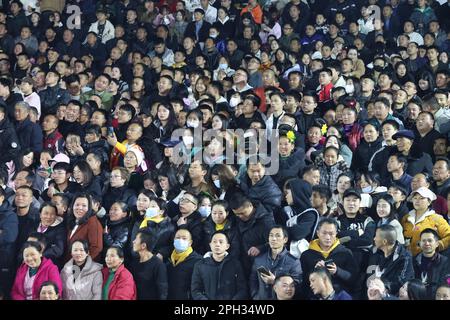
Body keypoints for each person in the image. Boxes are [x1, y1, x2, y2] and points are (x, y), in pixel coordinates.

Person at [300, 218, 359, 299]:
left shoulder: (345, 253)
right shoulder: (307, 255)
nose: (328, 237)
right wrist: (315, 271)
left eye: (331, 234)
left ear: (336, 234)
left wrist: (337, 271)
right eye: (324, 233)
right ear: (318, 233)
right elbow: (302, 282)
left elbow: (354, 279)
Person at [191, 231, 248, 300]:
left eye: (221, 242)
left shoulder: (235, 264)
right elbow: (196, 290)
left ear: (227, 246)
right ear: (210, 245)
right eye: (214, 242)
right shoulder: (200, 265)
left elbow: (242, 289)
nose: (217, 244)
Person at [249, 226, 302, 300]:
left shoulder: (293, 261)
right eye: (271, 235)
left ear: (285, 239)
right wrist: (255, 296)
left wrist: (275, 281)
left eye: (278, 236)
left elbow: (298, 285)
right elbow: (253, 280)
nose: (273, 239)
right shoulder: (259, 259)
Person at [366, 224, 414, 297]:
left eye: (376, 236)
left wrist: (381, 287)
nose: (374, 239)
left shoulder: (404, 257)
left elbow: (401, 281)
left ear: (384, 242)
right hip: (375, 292)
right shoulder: (375, 252)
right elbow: (370, 272)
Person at [401, 187, 450, 256]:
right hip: (406, 257)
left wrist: (436, 246)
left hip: (427, 258)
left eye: (422, 198)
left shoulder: (436, 219)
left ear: (429, 202)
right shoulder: (406, 217)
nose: (417, 201)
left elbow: (448, 235)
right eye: (415, 198)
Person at [413, 228, 450, 298]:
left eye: (430, 240)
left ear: (437, 244)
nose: (426, 243)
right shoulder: (413, 261)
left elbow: (447, 283)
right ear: (420, 243)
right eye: (423, 241)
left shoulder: (446, 262)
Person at [131, 231, 168, 300]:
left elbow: (162, 291)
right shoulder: (135, 263)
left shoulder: (158, 265)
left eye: (136, 239)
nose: (133, 242)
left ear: (143, 245)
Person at [66, 193, 103, 262]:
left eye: (84, 205)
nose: (80, 208)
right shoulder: (74, 221)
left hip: (85, 269)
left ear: (89, 208)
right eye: (77, 205)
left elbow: (96, 248)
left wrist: (81, 263)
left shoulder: (93, 222)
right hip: (71, 265)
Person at [166, 229, 202, 300]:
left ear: (190, 242)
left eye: (184, 238)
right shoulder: (168, 261)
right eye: (178, 238)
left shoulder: (198, 261)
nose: (180, 240)